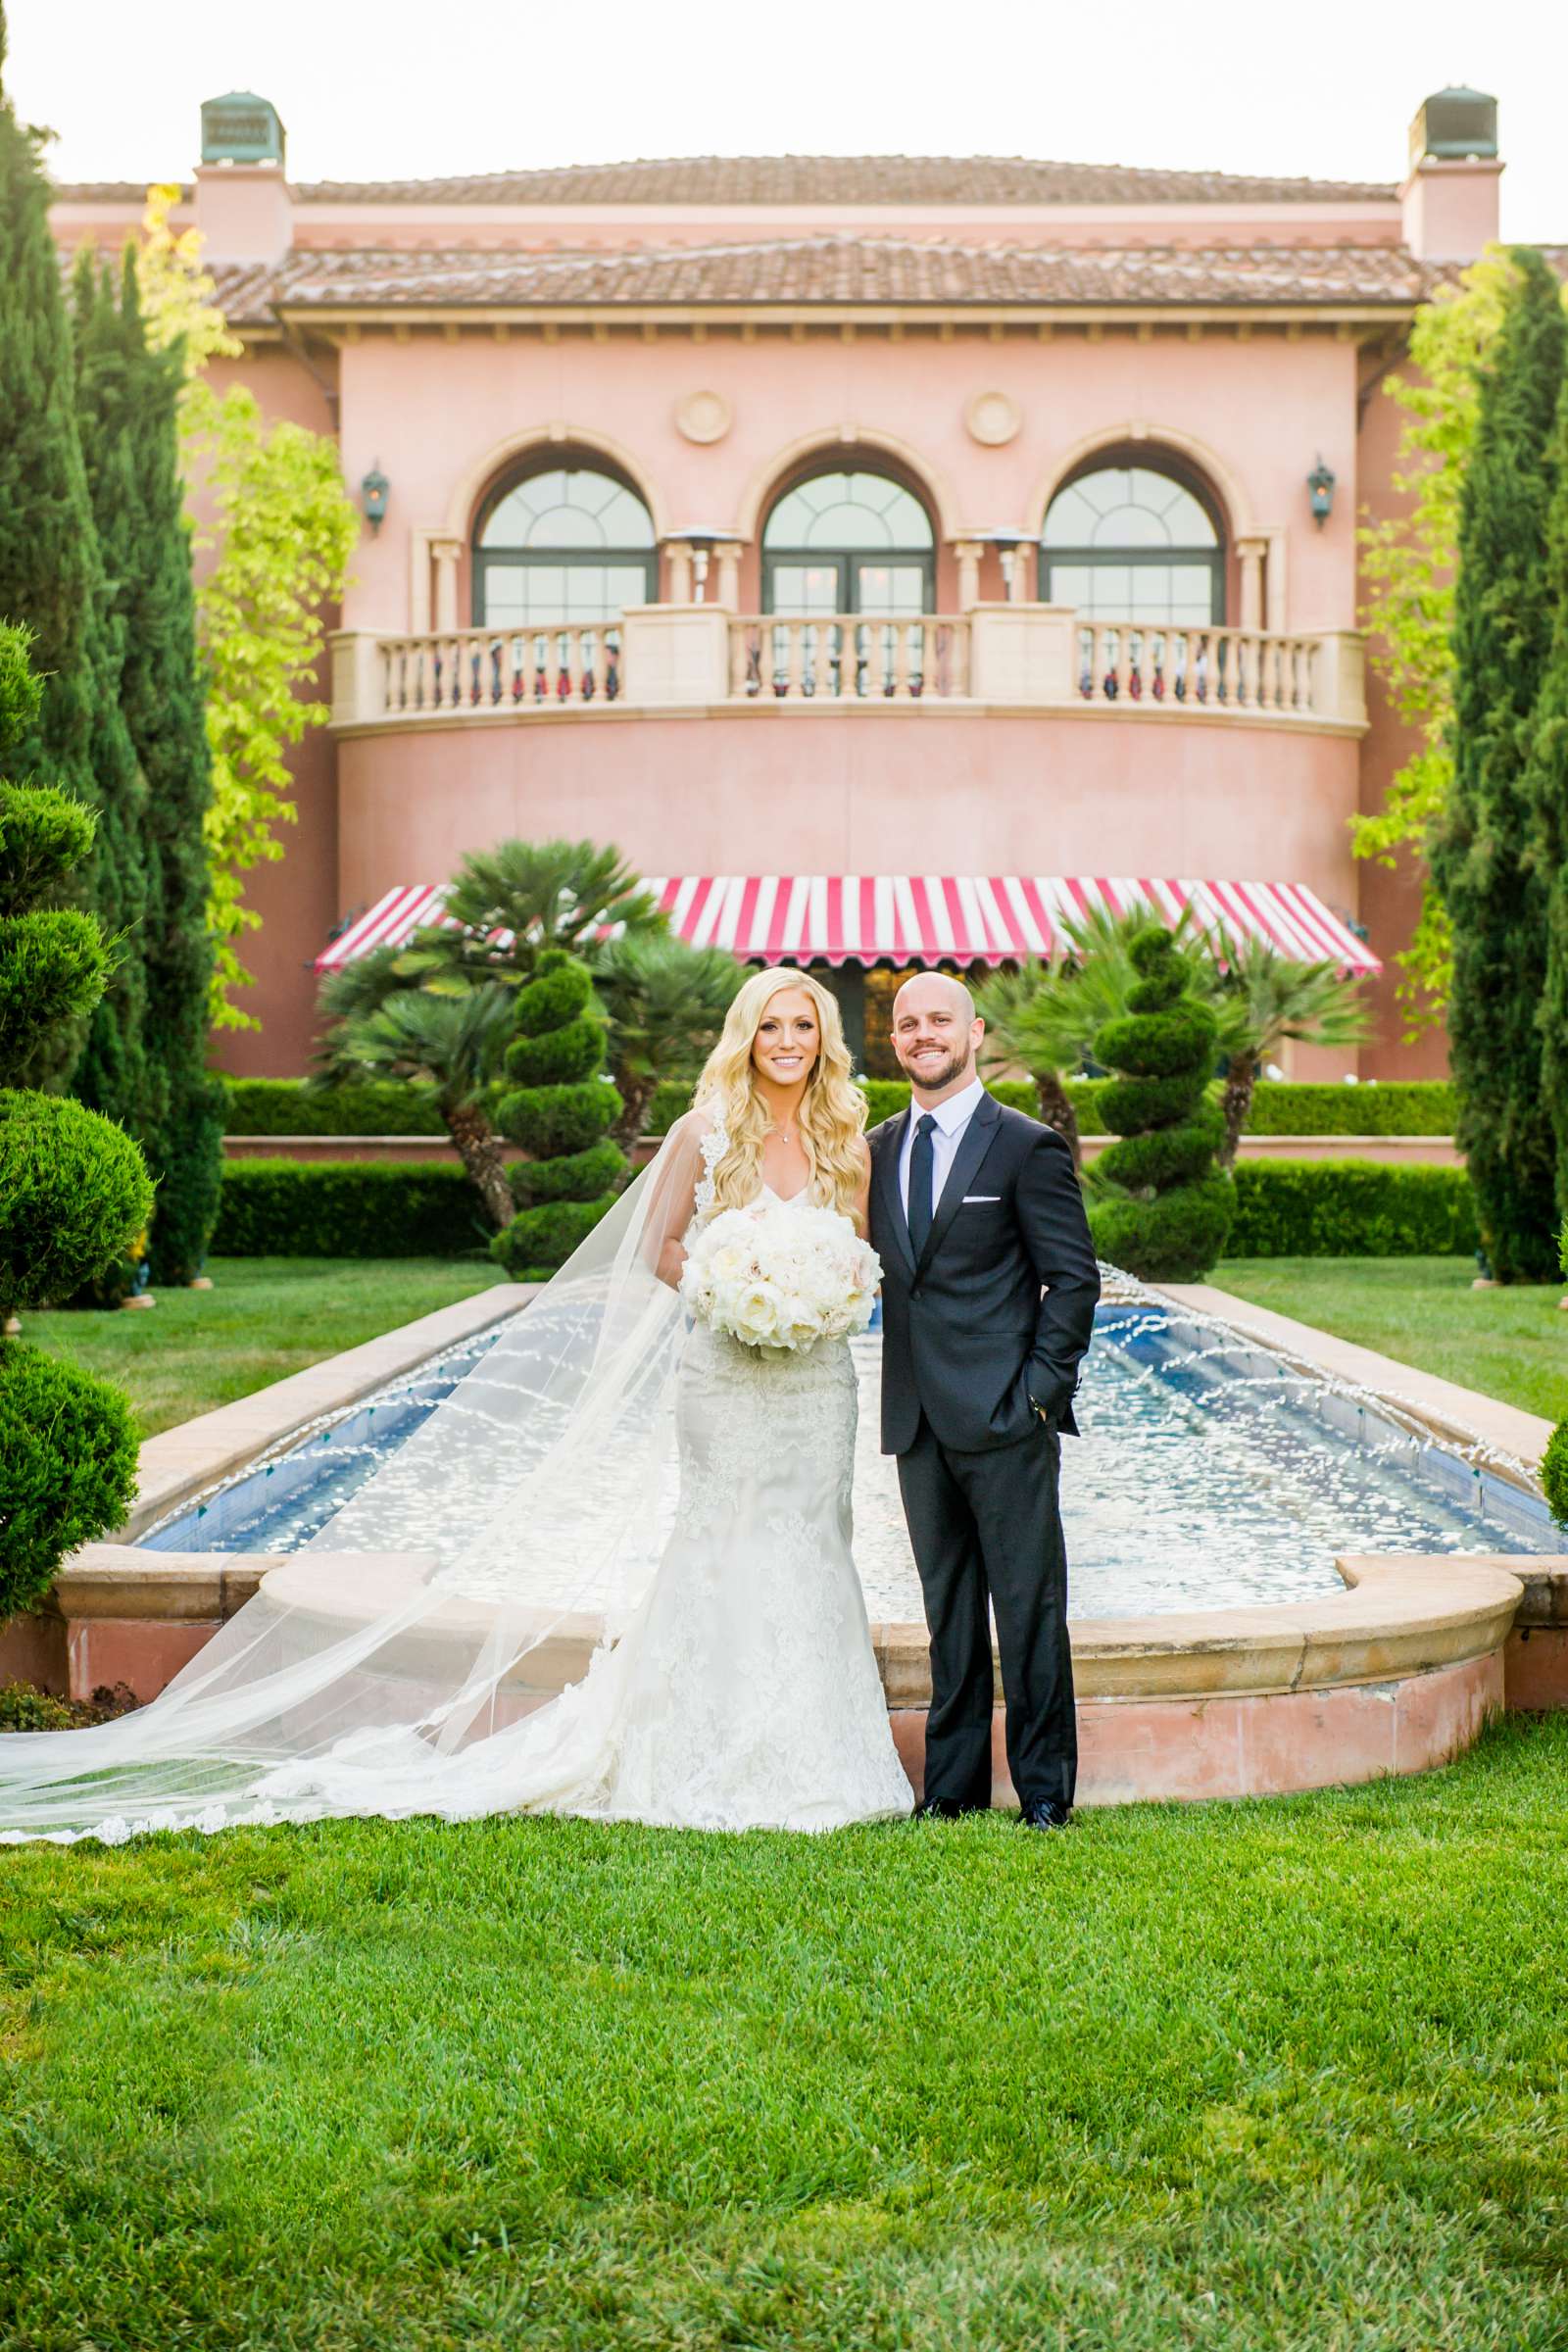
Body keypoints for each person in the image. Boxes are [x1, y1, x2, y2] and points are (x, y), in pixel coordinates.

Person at [0, 968, 910, 1843]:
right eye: (770, 1024)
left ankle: (816, 1756)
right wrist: (724, 1283)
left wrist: (816, 1297)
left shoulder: (847, 1143)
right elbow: (662, 1248)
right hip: (724, 1372)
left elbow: (860, 1260)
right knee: (723, 1538)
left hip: (815, 1385)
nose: (787, 1042)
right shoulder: (702, 1134)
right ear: (745, 1036)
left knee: (813, 1540)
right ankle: (702, 1751)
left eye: (803, 1026)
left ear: (826, 1039)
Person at [868, 974, 1100, 1832]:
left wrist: (1039, 1395)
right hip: (916, 1421)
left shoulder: (1024, 1146)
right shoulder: (877, 1147)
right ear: (893, 1043)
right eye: (907, 1024)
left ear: (974, 1032)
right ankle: (952, 1790)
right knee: (949, 1614)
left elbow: (1072, 1280)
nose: (923, 1034)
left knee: (1030, 1609)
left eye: (939, 1020)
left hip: (1007, 1418)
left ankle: (1043, 1792)